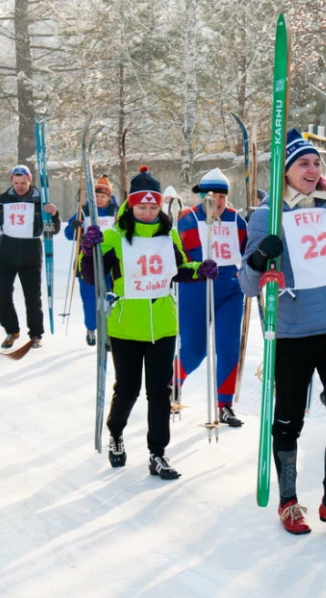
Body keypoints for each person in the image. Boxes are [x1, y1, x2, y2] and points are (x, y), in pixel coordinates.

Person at [240, 128, 326, 537]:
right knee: (289, 420)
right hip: (293, 331)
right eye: (302, 164)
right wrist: (260, 255)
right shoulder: (266, 215)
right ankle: (289, 501)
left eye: (315, 163)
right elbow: (247, 283)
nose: (311, 170)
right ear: (285, 172)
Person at [80, 166, 217, 478]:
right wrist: (89, 250)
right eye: (141, 206)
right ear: (131, 205)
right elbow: (91, 276)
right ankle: (115, 432)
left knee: (160, 393)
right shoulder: (114, 236)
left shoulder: (168, 234)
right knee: (127, 389)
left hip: (163, 326)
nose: (147, 211)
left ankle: (158, 453)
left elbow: (179, 268)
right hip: (126, 326)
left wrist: (200, 270)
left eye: (153, 206)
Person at [174, 169, 248, 427]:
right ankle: (173, 381)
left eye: (222, 196)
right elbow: (178, 254)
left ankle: (225, 404)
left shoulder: (237, 220)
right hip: (196, 287)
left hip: (230, 289)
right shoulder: (189, 217)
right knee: (195, 350)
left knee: (228, 347)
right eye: (211, 195)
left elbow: (247, 251)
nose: (217, 201)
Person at [0, 165, 61, 349]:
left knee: (32, 297)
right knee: (2, 294)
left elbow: (51, 230)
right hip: (6, 252)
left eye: (23, 183)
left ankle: (35, 334)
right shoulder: (3, 199)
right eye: (16, 183)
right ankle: (11, 330)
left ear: (29, 181)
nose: (19, 186)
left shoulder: (40, 200)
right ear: (11, 181)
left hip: (30, 251)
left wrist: (54, 215)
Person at [64, 175, 118, 346]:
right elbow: (68, 235)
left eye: (103, 196)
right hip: (87, 261)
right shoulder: (84, 210)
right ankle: (91, 328)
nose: (100, 200)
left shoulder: (116, 211)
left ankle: (109, 331)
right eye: (97, 196)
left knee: (110, 298)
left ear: (109, 197)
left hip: (110, 261)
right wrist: (74, 227)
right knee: (89, 299)